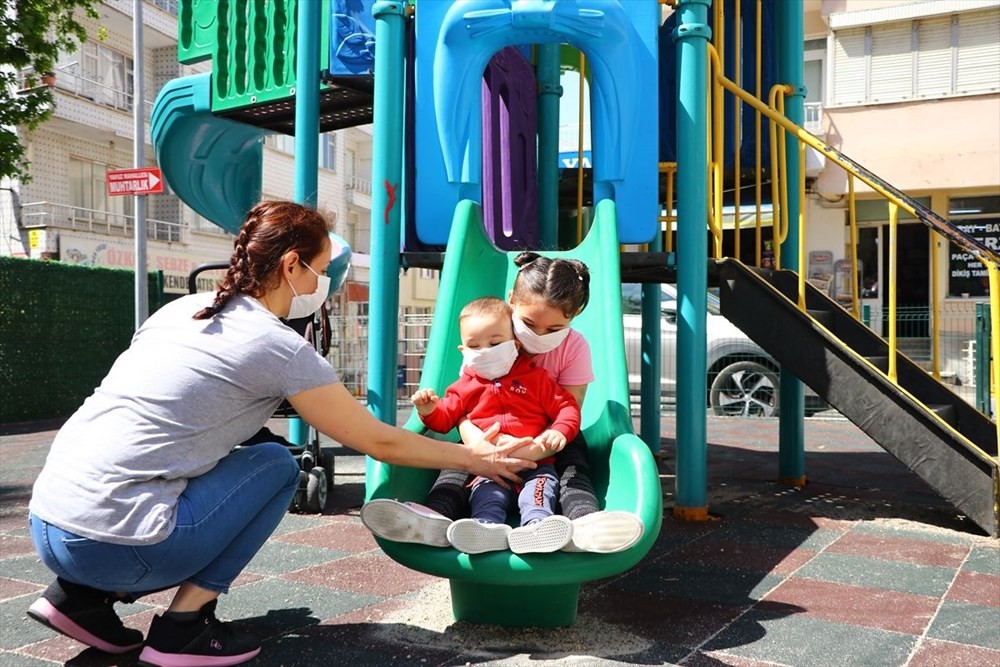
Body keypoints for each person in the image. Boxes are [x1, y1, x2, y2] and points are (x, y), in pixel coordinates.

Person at [25, 201, 534, 666]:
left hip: (48, 524)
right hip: (119, 548)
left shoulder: (179, 309)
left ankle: (78, 600)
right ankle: (183, 629)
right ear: (292, 265)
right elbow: (376, 441)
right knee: (275, 466)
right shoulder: (277, 347)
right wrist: (478, 460)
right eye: (323, 270)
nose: (324, 284)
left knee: (253, 449)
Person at [361, 252, 644, 554]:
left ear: (572, 318)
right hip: (485, 434)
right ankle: (433, 519)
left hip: (548, 436)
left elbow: (569, 407)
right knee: (456, 467)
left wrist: (535, 448)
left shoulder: (572, 348)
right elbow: (462, 404)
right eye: (529, 324)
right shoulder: (489, 340)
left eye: (553, 330)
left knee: (573, 469)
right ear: (511, 301)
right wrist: (477, 445)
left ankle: (587, 524)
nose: (537, 336)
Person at [409, 296, 580, 554]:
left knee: (538, 496)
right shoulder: (464, 387)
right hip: (489, 469)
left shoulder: (536, 379)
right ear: (462, 351)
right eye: (474, 345)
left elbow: (566, 406)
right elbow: (445, 420)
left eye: (495, 343)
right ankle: (485, 529)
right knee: (487, 497)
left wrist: (559, 430)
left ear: (516, 345)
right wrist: (428, 410)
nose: (486, 350)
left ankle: (537, 528)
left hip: (536, 466)